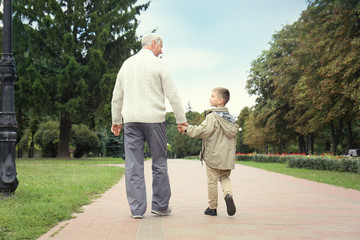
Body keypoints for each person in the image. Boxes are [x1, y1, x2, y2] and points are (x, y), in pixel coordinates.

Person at [111, 34, 187, 219]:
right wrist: (181, 119)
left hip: (131, 123)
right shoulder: (159, 64)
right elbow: (173, 94)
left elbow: (117, 95)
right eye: (161, 46)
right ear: (153, 44)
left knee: (133, 165)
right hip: (154, 121)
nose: (162, 50)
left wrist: (116, 121)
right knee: (159, 163)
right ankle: (160, 207)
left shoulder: (126, 64)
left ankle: (137, 209)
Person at [178, 87, 239, 216]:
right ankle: (228, 194)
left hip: (213, 155)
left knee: (212, 180)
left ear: (220, 101)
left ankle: (212, 208)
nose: (209, 98)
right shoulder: (231, 119)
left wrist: (186, 129)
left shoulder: (213, 117)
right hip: (226, 157)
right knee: (225, 177)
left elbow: (201, 131)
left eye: (212, 96)